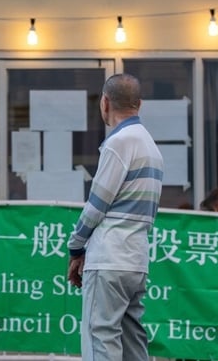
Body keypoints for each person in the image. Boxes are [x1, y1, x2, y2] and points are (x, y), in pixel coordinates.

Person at [66, 74, 164, 361]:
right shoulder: (151, 147)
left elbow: (96, 204)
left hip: (109, 257)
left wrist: (76, 246)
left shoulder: (118, 143)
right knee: (133, 341)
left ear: (105, 102)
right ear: (139, 104)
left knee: (101, 338)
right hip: (136, 260)